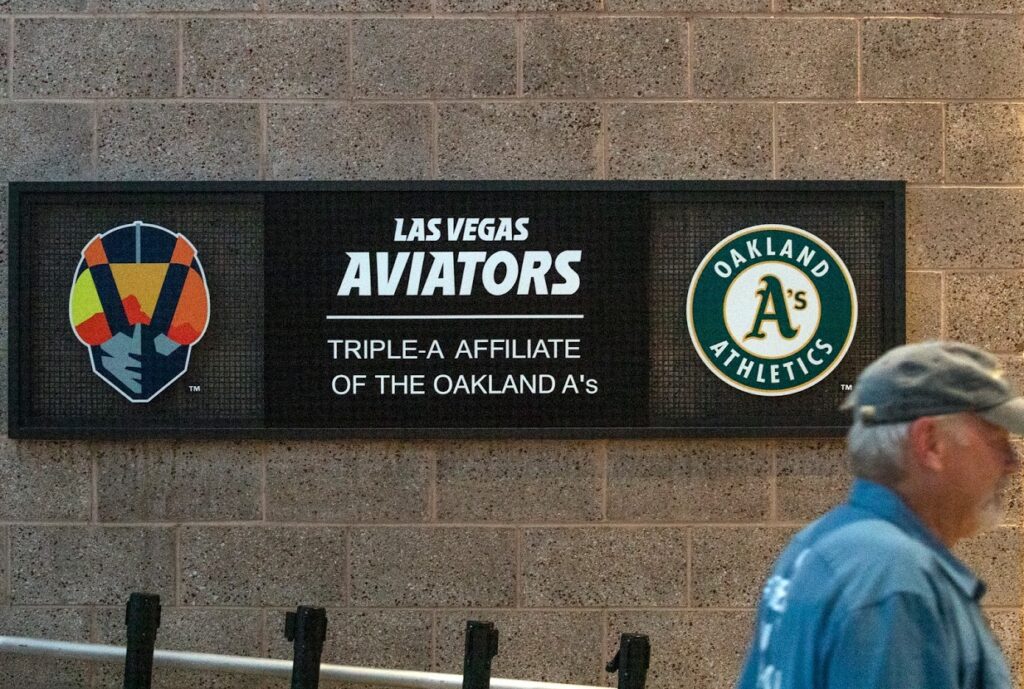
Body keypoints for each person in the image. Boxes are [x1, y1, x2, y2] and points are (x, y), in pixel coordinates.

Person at [736, 340, 1021, 689]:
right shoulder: (895, 580)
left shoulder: (815, 547)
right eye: (996, 439)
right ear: (930, 443)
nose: (1012, 463)